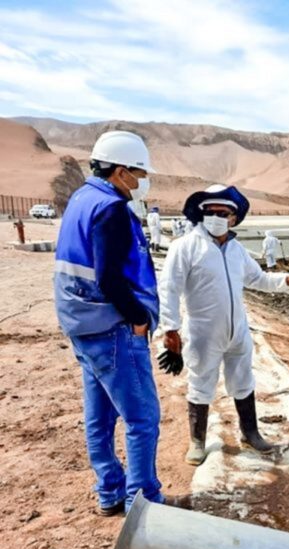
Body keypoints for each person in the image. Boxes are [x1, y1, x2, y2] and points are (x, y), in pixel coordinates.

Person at [158, 184, 289, 465]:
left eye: (224, 213)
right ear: (201, 214)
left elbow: (258, 280)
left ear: (234, 217)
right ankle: (197, 441)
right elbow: (169, 288)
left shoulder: (237, 250)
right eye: (212, 212)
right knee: (201, 383)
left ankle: (250, 433)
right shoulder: (185, 247)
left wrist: (287, 281)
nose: (217, 217)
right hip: (204, 333)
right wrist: (170, 328)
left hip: (238, 331)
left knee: (243, 382)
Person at [53, 130, 164, 515]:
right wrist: (136, 319)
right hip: (111, 327)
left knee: (99, 416)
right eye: (139, 172)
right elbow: (109, 278)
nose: (142, 180)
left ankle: (110, 491)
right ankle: (143, 502)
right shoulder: (111, 208)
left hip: (82, 324)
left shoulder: (82, 198)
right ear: (120, 171)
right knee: (142, 418)